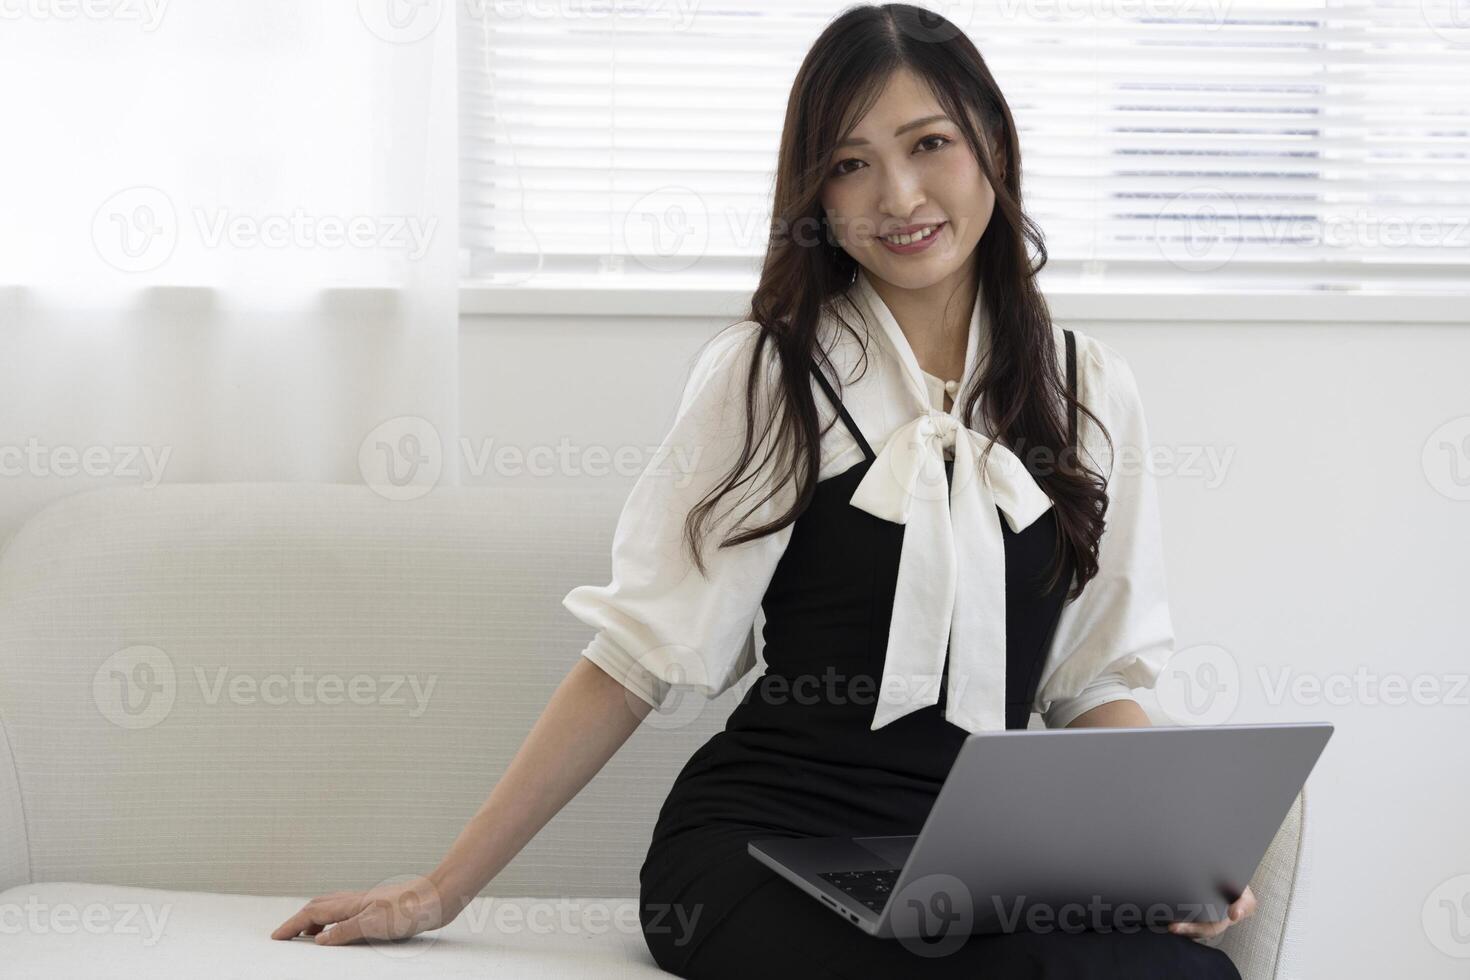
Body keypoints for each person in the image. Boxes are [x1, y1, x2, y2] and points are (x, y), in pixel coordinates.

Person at [270, 4, 1255, 975]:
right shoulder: (771, 376)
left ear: (992, 141)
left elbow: (1090, 682)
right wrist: (442, 888)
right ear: (815, 195)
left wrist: (1167, 853)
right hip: (760, 852)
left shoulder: (1089, 390)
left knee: (1173, 972)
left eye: (930, 143)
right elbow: (634, 659)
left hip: (972, 865)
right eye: (850, 163)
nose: (899, 195)